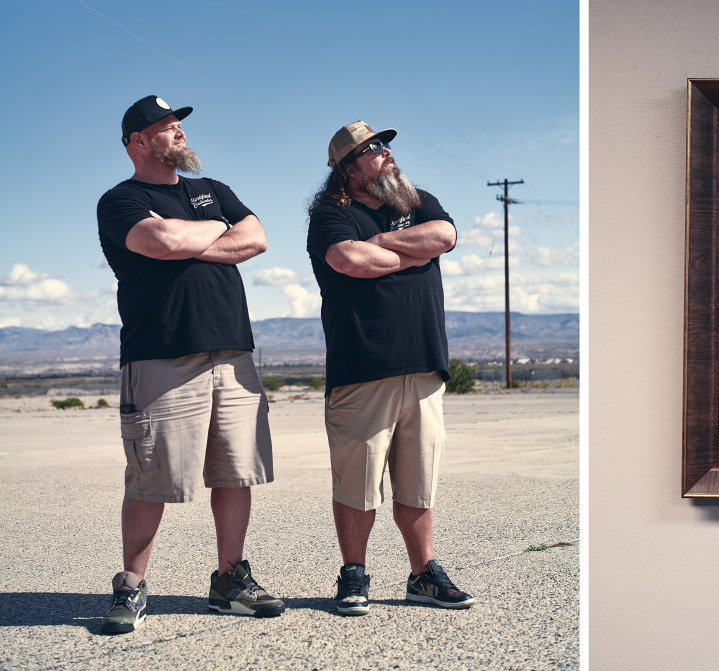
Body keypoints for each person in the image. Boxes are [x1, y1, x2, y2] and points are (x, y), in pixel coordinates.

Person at [96, 95, 283, 635]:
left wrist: (189, 241)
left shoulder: (212, 190)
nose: (177, 129)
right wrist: (210, 234)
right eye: (164, 125)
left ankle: (229, 581)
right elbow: (160, 240)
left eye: (178, 123)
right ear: (137, 141)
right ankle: (130, 586)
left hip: (232, 352)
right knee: (152, 476)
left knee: (235, 470)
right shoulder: (120, 200)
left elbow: (258, 237)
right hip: (161, 355)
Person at [306, 120, 475, 616]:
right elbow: (352, 260)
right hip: (363, 370)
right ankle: (353, 573)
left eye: (385, 145)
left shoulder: (416, 200)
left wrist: (383, 244)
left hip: (423, 366)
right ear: (348, 169)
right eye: (373, 149)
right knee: (358, 484)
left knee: (419, 479)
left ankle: (423, 574)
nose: (386, 154)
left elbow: (444, 235)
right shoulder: (329, 214)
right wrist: (408, 252)